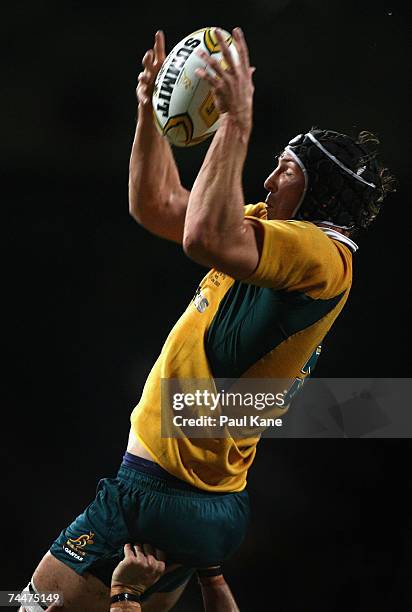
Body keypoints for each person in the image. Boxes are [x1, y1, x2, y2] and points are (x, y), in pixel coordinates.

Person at [24, 27, 396, 612]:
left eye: (286, 169)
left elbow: (201, 234)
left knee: (29, 607)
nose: (270, 180)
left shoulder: (322, 254)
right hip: (207, 507)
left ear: (319, 189)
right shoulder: (270, 234)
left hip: (155, 492)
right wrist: (149, 112)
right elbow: (159, 207)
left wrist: (235, 124)